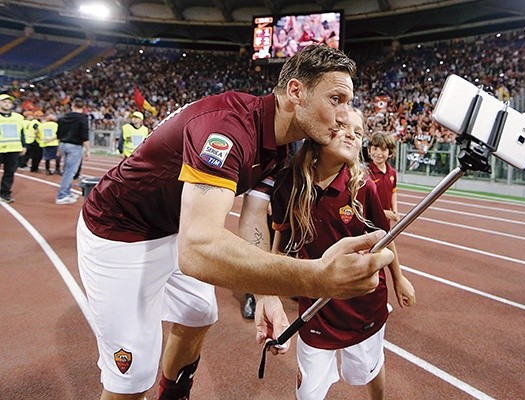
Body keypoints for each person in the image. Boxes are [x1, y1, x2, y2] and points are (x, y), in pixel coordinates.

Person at [77, 44, 395, 400]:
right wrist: (318, 277)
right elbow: (197, 251)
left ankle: (173, 394)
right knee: (131, 378)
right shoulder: (226, 129)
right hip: (120, 233)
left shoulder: (284, 143)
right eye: (336, 98)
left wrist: (266, 294)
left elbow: (255, 216)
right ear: (295, 92)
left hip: (175, 226)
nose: (343, 115)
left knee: (199, 313)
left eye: (347, 102)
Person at [266, 107, 415, 400]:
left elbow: (386, 239)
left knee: (368, 370)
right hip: (316, 308)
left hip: (363, 303)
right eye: (343, 126)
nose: (352, 135)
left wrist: (399, 279)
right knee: (308, 392)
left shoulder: (363, 187)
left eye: (358, 133)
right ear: (320, 129)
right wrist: (270, 293)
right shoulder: (290, 184)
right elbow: (279, 247)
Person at [56, 97, 90, 205]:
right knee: (70, 171)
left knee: (67, 169)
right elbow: (85, 135)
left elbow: (59, 133)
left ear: (72, 106)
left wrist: (59, 147)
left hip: (63, 144)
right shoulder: (83, 118)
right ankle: (62, 195)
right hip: (75, 146)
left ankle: (67, 192)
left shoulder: (64, 117)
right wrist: (87, 150)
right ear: (83, 107)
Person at [367, 132, 399, 223]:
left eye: (383, 150)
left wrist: (395, 210)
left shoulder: (392, 172)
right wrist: (382, 212)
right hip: (369, 222)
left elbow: (393, 192)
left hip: (385, 221)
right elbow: (364, 202)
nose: (378, 153)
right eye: (375, 149)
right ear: (369, 151)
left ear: (390, 152)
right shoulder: (366, 173)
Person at [0, 93, 25, 203]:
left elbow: (22, 132)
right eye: (4, 102)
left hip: (13, 149)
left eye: (9, 102)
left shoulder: (18, 117)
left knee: (9, 172)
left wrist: (24, 145)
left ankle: (5, 193)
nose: (7, 104)